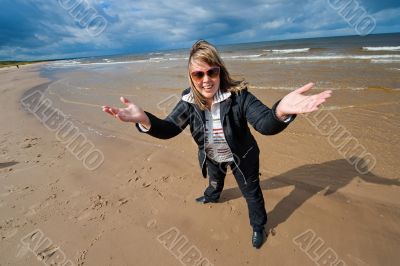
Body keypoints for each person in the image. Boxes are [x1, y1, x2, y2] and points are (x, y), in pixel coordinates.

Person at [102, 40, 332, 249]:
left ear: (220, 70)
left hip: (243, 156)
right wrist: (144, 120)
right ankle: (213, 196)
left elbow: (264, 124)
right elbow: (170, 128)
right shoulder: (189, 102)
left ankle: (259, 226)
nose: (206, 80)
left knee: (251, 193)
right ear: (190, 77)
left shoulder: (239, 96)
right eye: (198, 74)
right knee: (214, 181)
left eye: (212, 71)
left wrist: (280, 110)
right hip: (212, 155)